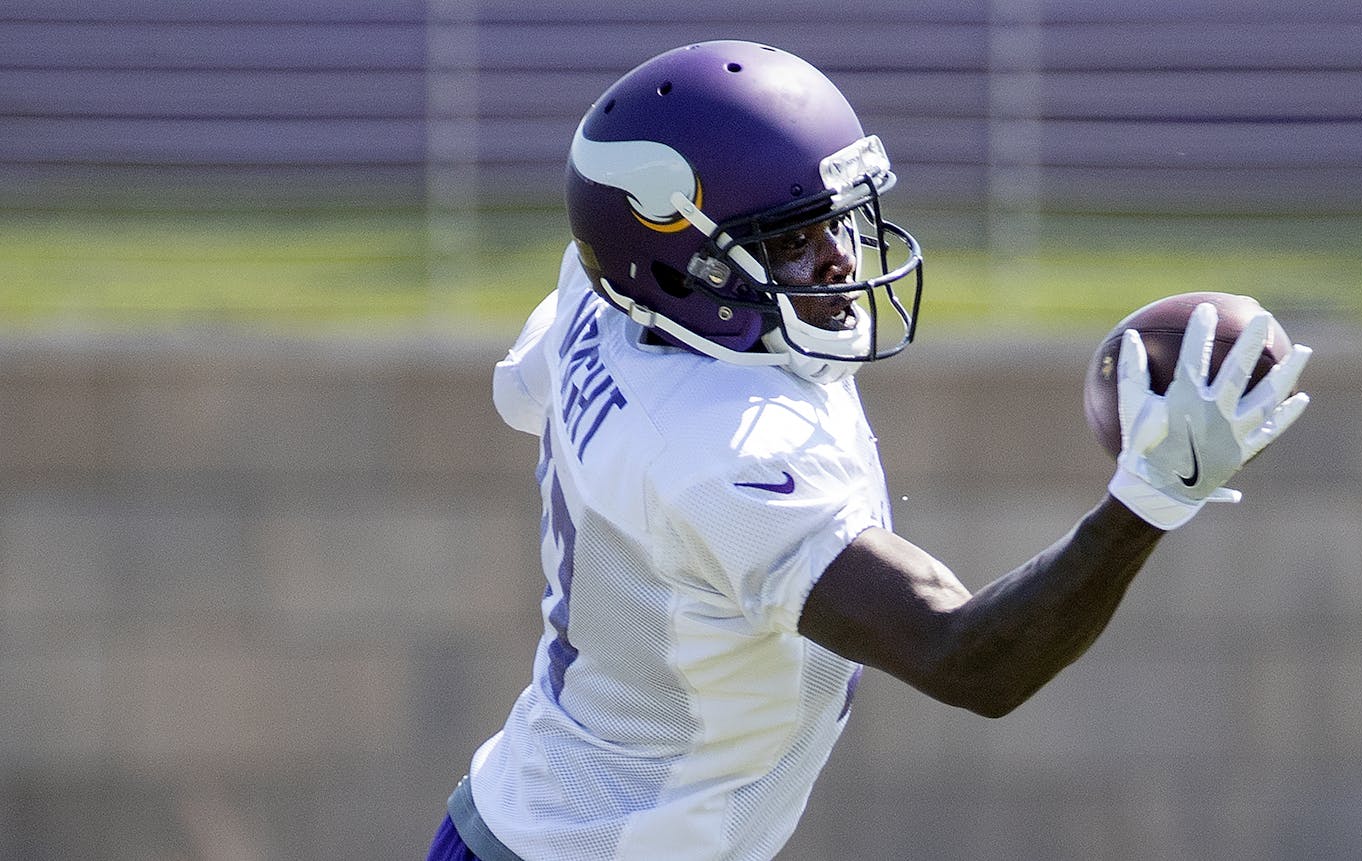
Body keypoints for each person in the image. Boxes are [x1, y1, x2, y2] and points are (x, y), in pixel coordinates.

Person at [427, 40, 1312, 861]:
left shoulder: (605, 286)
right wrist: (1148, 499)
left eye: (837, 218)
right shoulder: (720, 455)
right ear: (682, 269)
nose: (841, 262)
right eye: (790, 238)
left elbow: (523, 388)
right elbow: (968, 659)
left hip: (538, 812)